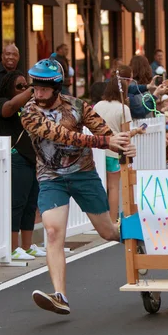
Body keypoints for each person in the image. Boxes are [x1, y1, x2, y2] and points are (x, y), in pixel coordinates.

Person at [20, 58, 137, 315]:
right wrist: (105, 142)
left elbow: (104, 130)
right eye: (35, 87)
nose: (38, 92)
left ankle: (138, 239)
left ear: (56, 87)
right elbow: (61, 135)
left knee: (108, 232)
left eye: (43, 88)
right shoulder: (29, 113)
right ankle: (60, 295)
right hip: (51, 176)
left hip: (83, 174)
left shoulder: (78, 106)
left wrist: (122, 144)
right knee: (52, 232)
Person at [0, 70, 46, 260]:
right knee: (17, 203)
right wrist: (30, 90)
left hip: (33, 158)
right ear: (9, 87)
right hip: (16, 159)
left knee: (31, 204)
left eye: (26, 85)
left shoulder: (31, 106)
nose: (25, 89)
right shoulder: (1, 103)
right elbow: (9, 108)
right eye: (20, 86)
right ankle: (13, 247)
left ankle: (27, 245)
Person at [93, 65, 134, 223]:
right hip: (114, 152)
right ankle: (112, 220)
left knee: (99, 188)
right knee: (113, 187)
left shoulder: (97, 106)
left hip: (98, 150)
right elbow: (126, 133)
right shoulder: (123, 109)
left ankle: (100, 221)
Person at [128, 55, 168, 119]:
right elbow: (141, 111)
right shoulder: (133, 86)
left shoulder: (144, 85)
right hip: (140, 125)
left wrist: (160, 95)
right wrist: (156, 94)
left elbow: (150, 106)